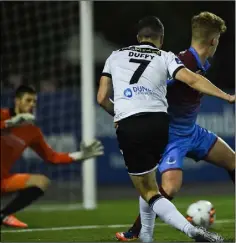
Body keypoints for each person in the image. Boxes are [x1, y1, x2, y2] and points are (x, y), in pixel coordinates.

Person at [97, 15, 234, 242]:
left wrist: (122, 110)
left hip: (192, 131)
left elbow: (102, 98)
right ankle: (138, 232)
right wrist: (227, 96)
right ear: (214, 40)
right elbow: (181, 81)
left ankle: (143, 235)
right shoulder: (176, 59)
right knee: (165, 189)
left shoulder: (118, 56)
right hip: (170, 132)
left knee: (232, 160)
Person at [1, 85, 104, 228]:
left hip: (3, 180)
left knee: (41, 181)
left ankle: (4, 215)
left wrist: (80, 155)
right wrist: (10, 123)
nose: (32, 104)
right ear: (17, 101)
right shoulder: (2, 115)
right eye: (28, 100)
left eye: (34, 101)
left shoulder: (32, 131)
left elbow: (52, 157)